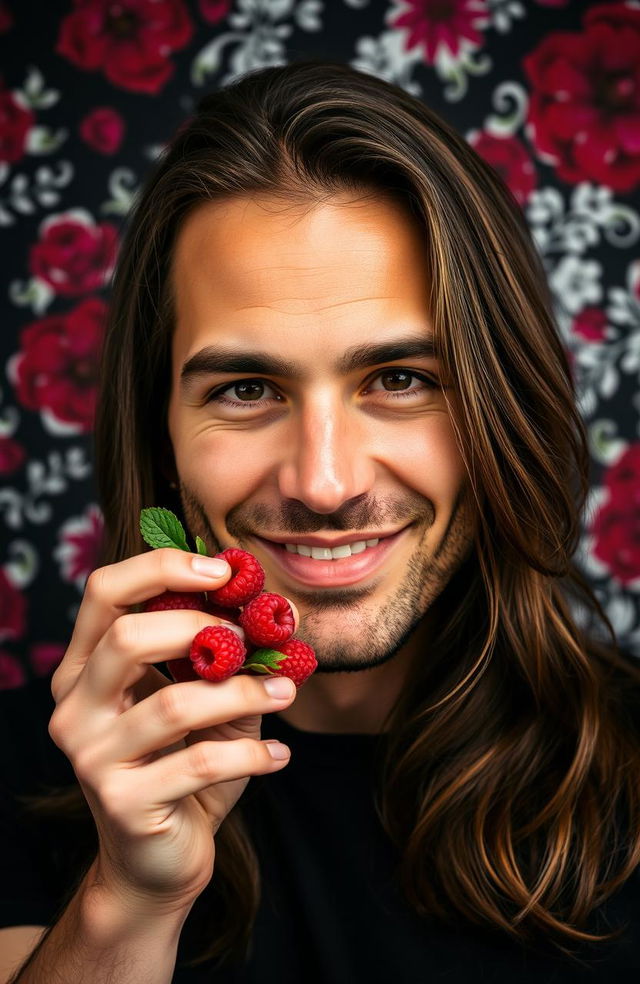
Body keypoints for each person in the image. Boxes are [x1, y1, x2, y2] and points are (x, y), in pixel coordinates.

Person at [1, 59, 640, 984]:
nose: (326, 482)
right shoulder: (27, 772)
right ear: (163, 429)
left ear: (503, 404)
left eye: (400, 380)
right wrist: (129, 902)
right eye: (248, 389)